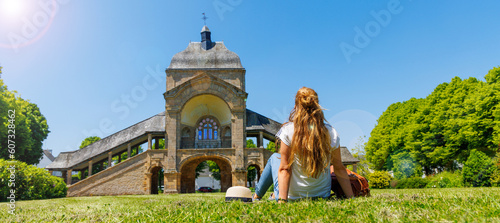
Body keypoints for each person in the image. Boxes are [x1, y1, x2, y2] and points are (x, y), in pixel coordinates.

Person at [253, 87, 354, 202]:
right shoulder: (331, 132)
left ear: (296, 108)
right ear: (317, 107)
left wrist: (282, 201)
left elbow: (284, 169)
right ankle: (269, 196)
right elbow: (339, 168)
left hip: (293, 197)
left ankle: (257, 196)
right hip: (322, 196)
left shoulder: (288, 130)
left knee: (274, 158)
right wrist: (351, 198)